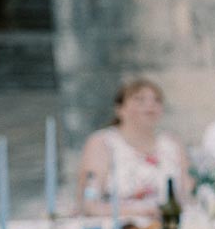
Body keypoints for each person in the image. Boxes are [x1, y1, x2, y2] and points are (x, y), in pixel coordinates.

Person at [78, 77, 191, 221]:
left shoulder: (172, 144)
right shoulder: (103, 143)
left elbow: (189, 196)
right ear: (120, 109)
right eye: (140, 100)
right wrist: (140, 211)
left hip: (168, 227)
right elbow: (90, 204)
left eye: (157, 100)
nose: (150, 105)